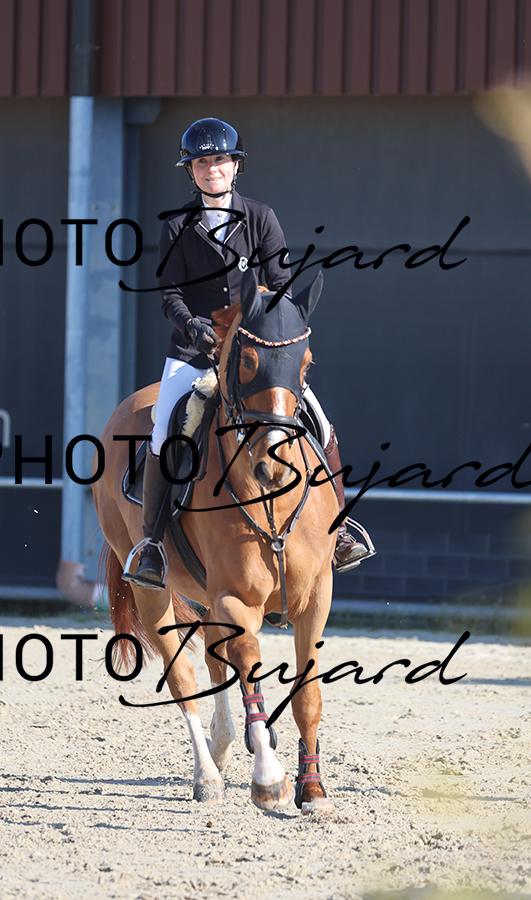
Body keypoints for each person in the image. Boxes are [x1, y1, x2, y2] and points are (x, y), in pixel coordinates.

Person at [124, 118, 370, 590]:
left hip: (255, 354)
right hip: (194, 351)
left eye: (220, 160)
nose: (212, 168)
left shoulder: (261, 217)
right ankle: (152, 544)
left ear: (235, 166)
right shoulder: (176, 226)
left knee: (320, 422)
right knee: (164, 429)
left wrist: (262, 328)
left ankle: (340, 533)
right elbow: (169, 294)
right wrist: (192, 326)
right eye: (202, 162)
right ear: (191, 171)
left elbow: (281, 286)